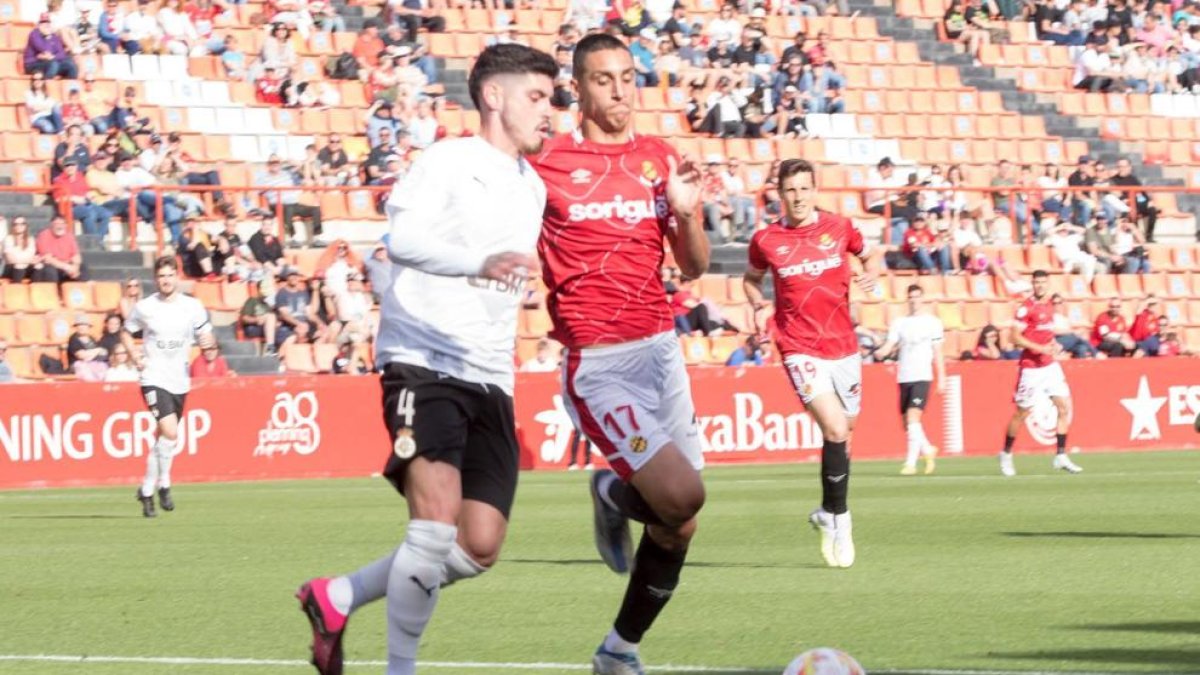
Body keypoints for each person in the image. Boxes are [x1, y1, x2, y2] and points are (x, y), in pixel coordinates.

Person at [294, 43, 556, 675]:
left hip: (491, 374)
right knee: (434, 526)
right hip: (424, 360)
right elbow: (401, 239)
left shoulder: (534, 187)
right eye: (539, 97)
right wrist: (477, 263)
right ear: (494, 96)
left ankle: (339, 595)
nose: (551, 112)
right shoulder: (446, 160)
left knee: (480, 545)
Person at [527, 33, 708, 674]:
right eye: (604, 79)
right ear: (578, 88)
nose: (620, 90)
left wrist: (686, 216)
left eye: (628, 77)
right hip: (598, 363)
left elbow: (694, 267)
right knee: (684, 496)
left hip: (660, 350)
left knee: (677, 523)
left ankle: (618, 651)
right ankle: (609, 490)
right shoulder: (546, 160)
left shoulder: (657, 157)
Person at [743, 159, 879, 569]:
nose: (797, 197)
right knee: (835, 427)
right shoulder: (767, 239)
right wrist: (758, 304)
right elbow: (751, 280)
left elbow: (870, 257)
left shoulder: (840, 228)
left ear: (815, 190)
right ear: (780, 194)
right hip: (797, 345)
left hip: (844, 346)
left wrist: (871, 274)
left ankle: (825, 510)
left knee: (844, 436)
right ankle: (841, 520)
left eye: (804, 188)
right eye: (790, 190)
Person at [121, 256, 216, 517]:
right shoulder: (145, 307)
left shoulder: (193, 306)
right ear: (156, 279)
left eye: (169, 275)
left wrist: (208, 342)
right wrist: (134, 354)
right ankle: (164, 485)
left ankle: (148, 490)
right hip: (153, 377)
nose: (165, 280)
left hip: (179, 379)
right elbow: (126, 331)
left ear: (177, 276)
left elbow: (205, 335)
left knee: (164, 438)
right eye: (161, 276)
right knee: (170, 431)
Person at [999, 270, 1083, 477]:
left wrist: (1052, 345)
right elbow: (1014, 337)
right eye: (1037, 283)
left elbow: (1044, 334)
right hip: (1031, 369)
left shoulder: (1049, 305)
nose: (1040, 286)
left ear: (1048, 284)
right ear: (1032, 284)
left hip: (1050, 366)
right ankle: (1006, 453)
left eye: (1043, 282)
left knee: (1064, 407)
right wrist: (1040, 347)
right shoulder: (1025, 308)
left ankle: (1060, 455)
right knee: (1022, 413)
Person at [876, 284, 945, 476]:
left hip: (922, 375)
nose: (914, 300)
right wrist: (882, 351)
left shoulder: (932, 322)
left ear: (922, 299)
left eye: (917, 297)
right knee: (907, 423)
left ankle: (911, 463)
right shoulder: (900, 322)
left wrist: (942, 378)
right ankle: (927, 448)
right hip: (904, 376)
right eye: (911, 297)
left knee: (914, 418)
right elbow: (890, 344)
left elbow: (938, 352)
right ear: (908, 299)